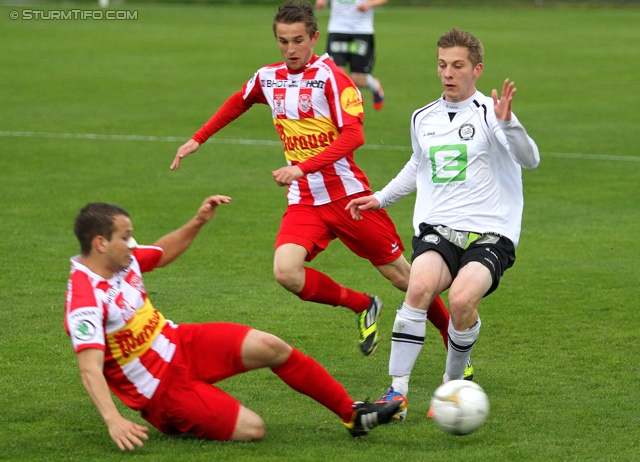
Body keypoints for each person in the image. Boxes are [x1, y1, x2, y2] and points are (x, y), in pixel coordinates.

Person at [170, 0, 452, 359]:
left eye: (298, 40)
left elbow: (354, 136)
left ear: (315, 38)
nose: (291, 49)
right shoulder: (267, 78)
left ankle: (455, 343)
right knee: (286, 272)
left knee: (404, 278)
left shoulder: (333, 78)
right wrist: (198, 138)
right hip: (304, 200)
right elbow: (237, 101)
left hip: (348, 198)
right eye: (283, 41)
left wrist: (302, 167)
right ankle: (363, 305)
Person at [64, 195, 404, 451]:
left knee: (271, 346)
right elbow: (90, 369)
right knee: (253, 429)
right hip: (161, 391)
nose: (131, 243)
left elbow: (162, 253)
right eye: (125, 236)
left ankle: (353, 415)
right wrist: (113, 420)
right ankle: (180, 417)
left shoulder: (124, 259)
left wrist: (198, 221)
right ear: (100, 243)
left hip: (181, 342)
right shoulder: (84, 298)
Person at [346, 28, 540, 420]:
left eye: (457, 66)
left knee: (462, 300)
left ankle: (451, 386)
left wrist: (509, 124)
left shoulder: (492, 113)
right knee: (417, 287)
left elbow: (530, 159)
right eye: (442, 65)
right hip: (440, 226)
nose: (448, 73)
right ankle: (396, 393)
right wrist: (380, 197)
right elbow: (418, 165)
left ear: (476, 69)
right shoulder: (424, 118)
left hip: (491, 232)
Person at [314, 0, 387, 110]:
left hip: (361, 30)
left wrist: (368, 4)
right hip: (337, 29)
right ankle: (342, 113)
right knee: (337, 75)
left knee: (357, 78)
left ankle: (375, 86)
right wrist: (321, 2)